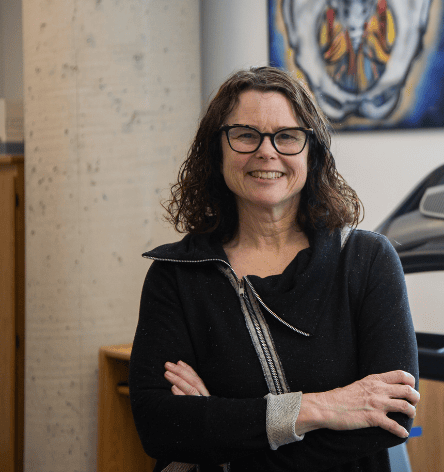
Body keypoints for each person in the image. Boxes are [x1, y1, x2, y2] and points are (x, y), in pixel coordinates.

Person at [129, 66, 419, 472]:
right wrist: (325, 407)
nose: (267, 151)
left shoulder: (367, 260)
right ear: (218, 150)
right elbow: (160, 428)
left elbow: (390, 419)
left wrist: (221, 434)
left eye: (287, 136)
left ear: (311, 152)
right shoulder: (175, 274)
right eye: (246, 135)